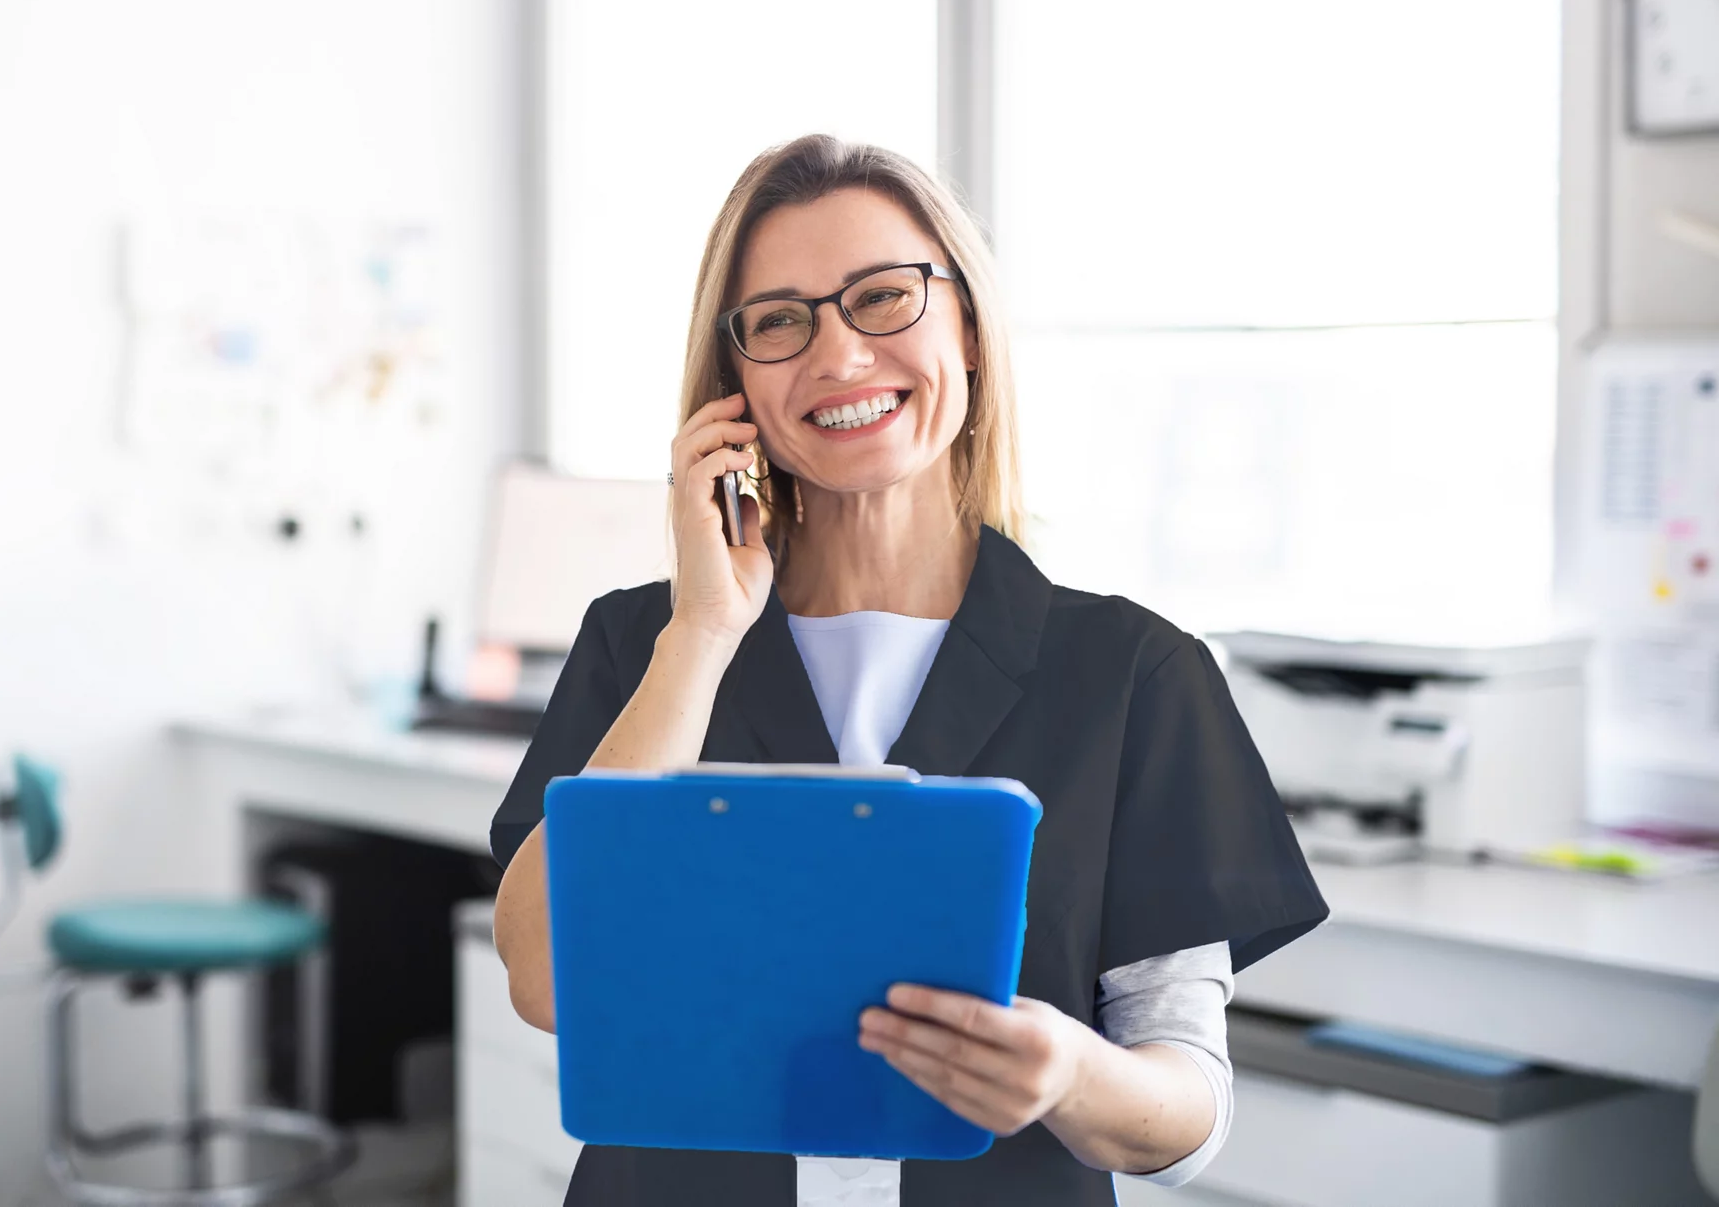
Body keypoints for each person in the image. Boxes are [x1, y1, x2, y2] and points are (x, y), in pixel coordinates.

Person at [489, 134, 1327, 1206]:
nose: (837, 358)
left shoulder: (1132, 672)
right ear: (735, 382)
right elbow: (547, 978)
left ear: (968, 328)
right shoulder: (643, 646)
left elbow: (1189, 1106)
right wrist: (702, 631)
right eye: (781, 321)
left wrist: (1068, 1069)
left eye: (883, 297)